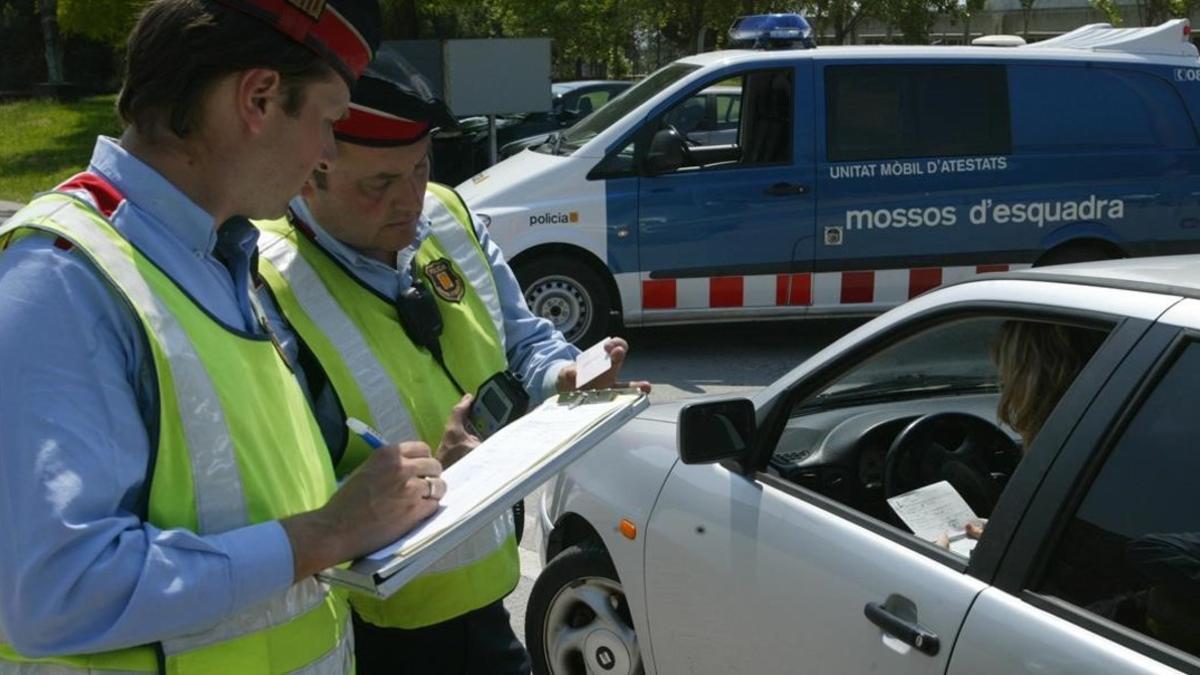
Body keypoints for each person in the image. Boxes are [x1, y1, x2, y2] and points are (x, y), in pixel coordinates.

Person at [0, 2, 448, 673]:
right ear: (258, 97)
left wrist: (396, 482)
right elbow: (57, 590)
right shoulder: (61, 277)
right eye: (327, 121)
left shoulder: (217, 257)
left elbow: (254, 474)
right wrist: (327, 534)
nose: (328, 153)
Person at [253, 52, 650, 674]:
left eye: (420, 168)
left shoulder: (448, 214)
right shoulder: (261, 283)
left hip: (481, 595)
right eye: (378, 185)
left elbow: (523, 340)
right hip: (371, 627)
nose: (410, 201)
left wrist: (566, 376)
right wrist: (433, 476)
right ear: (310, 170)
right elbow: (275, 498)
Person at [936, 320, 1107, 549]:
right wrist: (1009, 536)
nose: (1003, 385)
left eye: (1007, 373)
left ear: (1031, 379)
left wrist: (942, 555)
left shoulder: (1061, 463)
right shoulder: (1104, 437)